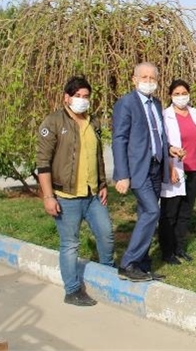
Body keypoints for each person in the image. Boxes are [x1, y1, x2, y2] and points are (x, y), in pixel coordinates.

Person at [36, 76, 115, 306]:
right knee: (70, 244)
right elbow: (43, 162)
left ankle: (106, 275)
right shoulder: (53, 122)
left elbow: (97, 156)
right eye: (78, 96)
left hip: (92, 195)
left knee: (106, 233)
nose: (82, 101)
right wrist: (49, 196)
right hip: (66, 197)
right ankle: (72, 290)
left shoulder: (93, 122)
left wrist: (102, 184)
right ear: (66, 98)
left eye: (86, 97)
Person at [112, 62, 172, 282]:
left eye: (152, 78)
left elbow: (158, 134)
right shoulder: (126, 104)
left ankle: (143, 266)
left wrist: (169, 154)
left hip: (156, 166)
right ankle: (128, 262)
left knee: (145, 214)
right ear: (134, 79)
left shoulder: (156, 103)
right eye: (144, 77)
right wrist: (122, 174)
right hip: (138, 170)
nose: (148, 82)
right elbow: (119, 140)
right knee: (151, 212)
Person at [158, 79, 196, 265]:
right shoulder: (165, 116)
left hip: (192, 168)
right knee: (170, 213)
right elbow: (163, 145)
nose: (181, 97)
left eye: (184, 93)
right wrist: (170, 167)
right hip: (175, 170)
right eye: (176, 94)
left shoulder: (194, 113)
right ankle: (167, 251)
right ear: (170, 96)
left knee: (185, 211)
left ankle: (179, 247)